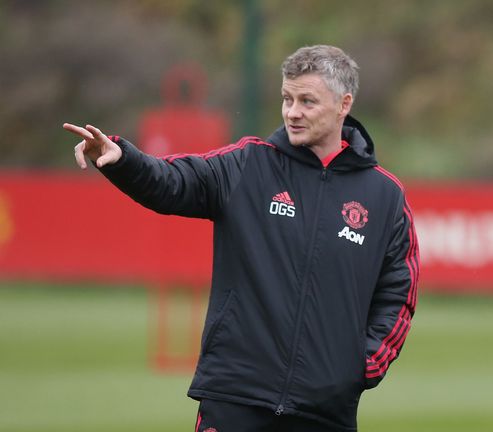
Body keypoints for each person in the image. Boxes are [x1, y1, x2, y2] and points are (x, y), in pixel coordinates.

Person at [64, 45, 419, 432]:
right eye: (287, 98)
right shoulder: (249, 164)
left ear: (343, 104)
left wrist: (359, 366)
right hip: (234, 396)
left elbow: (399, 292)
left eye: (307, 101)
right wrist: (123, 159)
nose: (292, 112)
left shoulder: (384, 196)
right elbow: (173, 182)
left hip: (325, 410)